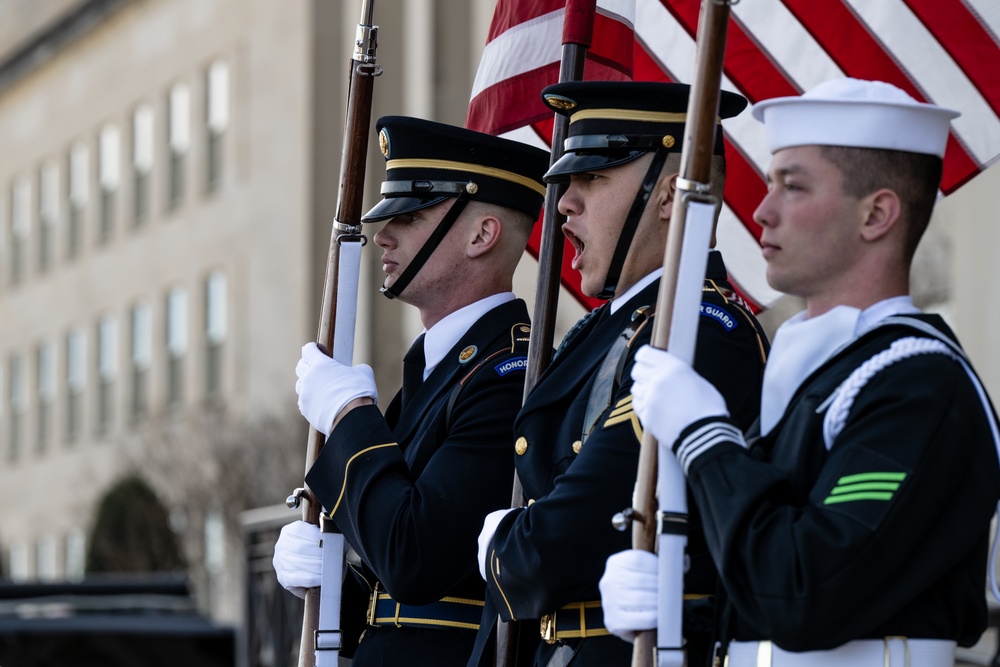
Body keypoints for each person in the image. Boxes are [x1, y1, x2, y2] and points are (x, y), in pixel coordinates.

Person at [600, 78, 1000, 667]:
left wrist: (705, 439)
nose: (761, 211)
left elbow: (804, 592)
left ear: (877, 214)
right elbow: (764, 606)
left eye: (793, 186)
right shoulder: (822, 374)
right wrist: (673, 610)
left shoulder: (919, 386)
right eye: (769, 184)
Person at [471, 82, 769, 667]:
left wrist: (505, 547)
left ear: (668, 196)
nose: (564, 204)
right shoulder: (618, 327)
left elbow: (561, 543)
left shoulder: (697, 330)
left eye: (593, 179)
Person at [272, 116, 550, 666]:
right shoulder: (438, 369)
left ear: (480, 235)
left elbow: (417, 557)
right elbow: (397, 601)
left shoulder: (510, 375)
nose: (383, 234)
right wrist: (336, 587)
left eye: (410, 215)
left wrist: (349, 417)